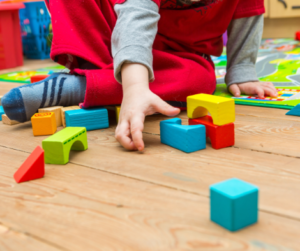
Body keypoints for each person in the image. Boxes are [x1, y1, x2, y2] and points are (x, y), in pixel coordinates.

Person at [2, 0, 278, 151]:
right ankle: (90, 72)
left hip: (179, 60)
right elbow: (136, 14)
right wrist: (134, 88)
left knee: (201, 80)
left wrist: (242, 69)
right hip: (119, 40)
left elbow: (248, 15)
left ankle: (82, 85)